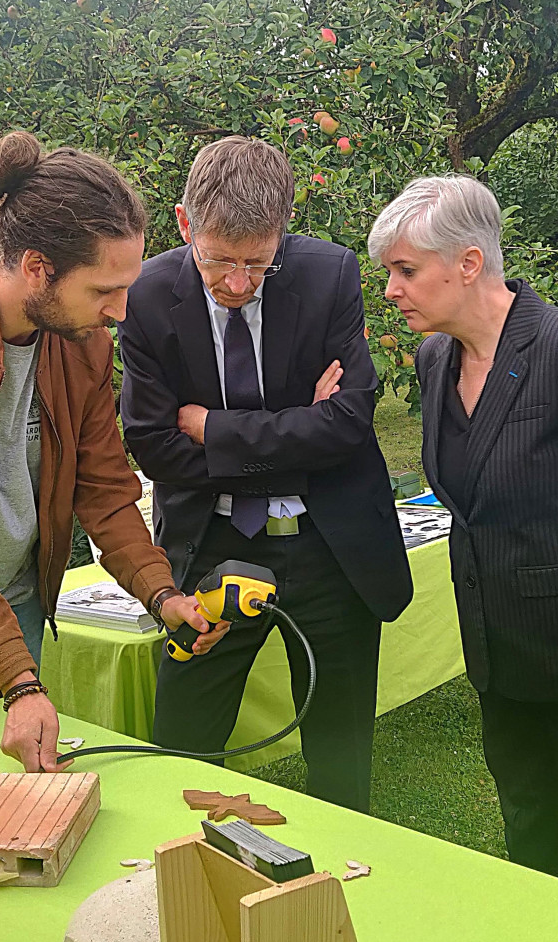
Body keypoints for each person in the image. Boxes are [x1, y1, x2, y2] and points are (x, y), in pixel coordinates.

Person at [0, 131, 224, 773]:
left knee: (6, 789)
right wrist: (19, 684)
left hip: (14, 596)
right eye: (104, 289)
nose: (121, 310)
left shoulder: (82, 341)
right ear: (36, 267)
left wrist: (161, 594)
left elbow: (105, 489)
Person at [117, 136, 412, 813]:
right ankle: (172, 880)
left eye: (257, 261)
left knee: (340, 757)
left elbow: (346, 424)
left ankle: (343, 889)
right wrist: (293, 428)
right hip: (212, 549)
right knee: (183, 739)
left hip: (329, 550)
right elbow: (154, 448)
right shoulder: (147, 294)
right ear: (185, 223)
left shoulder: (328, 274)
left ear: (283, 229)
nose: (238, 283)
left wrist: (213, 430)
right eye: (219, 260)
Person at [368, 173, 558, 898]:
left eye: (405, 270)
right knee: (525, 827)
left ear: (468, 264)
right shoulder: (432, 361)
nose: (390, 290)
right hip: (496, 650)